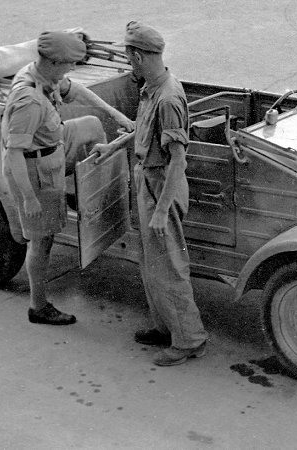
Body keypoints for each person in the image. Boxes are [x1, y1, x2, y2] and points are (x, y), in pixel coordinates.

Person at [91, 21, 208, 366]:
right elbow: (144, 136)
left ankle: (190, 340)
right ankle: (165, 327)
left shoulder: (168, 97)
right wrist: (110, 147)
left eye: (129, 57)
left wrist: (161, 210)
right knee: (149, 261)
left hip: (162, 188)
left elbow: (178, 161)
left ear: (139, 56)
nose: (129, 64)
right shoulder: (151, 89)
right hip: (148, 181)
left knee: (169, 265)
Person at [1, 30, 135, 326]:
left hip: (53, 144)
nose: (71, 70)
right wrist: (30, 198)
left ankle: (87, 195)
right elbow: (14, 154)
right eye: (69, 64)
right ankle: (38, 306)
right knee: (42, 240)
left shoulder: (44, 76)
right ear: (53, 62)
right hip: (34, 170)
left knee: (91, 124)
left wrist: (118, 116)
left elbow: (77, 90)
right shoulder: (29, 101)